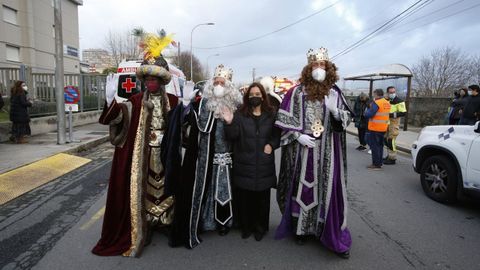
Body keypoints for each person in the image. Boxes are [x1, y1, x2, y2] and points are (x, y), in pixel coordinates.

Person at [92, 33, 177, 257]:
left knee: (167, 186)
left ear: (162, 81)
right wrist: (111, 101)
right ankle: (147, 223)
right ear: (144, 80)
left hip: (167, 153)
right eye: (147, 78)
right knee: (146, 187)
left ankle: (166, 221)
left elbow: (186, 127)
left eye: (155, 78)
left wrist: (187, 108)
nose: (151, 82)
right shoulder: (137, 101)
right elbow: (119, 117)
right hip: (145, 153)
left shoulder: (174, 101)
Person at [274, 47, 353, 258]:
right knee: (302, 188)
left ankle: (325, 230)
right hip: (302, 150)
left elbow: (346, 120)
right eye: (316, 64)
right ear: (309, 68)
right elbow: (283, 119)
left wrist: (336, 111)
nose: (319, 68)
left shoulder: (335, 92)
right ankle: (301, 229)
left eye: (323, 65)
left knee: (326, 189)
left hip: (328, 150)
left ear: (329, 68)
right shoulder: (297, 92)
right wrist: (297, 135)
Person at [165, 64, 242, 248]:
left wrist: (231, 122)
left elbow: (240, 135)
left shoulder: (238, 108)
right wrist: (184, 104)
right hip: (205, 159)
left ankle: (225, 223)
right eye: (216, 81)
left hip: (230, 158)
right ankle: (206, 222)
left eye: (222, 82)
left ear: (229, 86)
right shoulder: (201, 106)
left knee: (226, 191)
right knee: (205, 191)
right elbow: (183, 122)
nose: (218, 85)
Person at [223, 82, 280, 241]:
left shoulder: (271, 114)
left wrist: (272, 145)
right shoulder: (240, 114)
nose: (254, 97)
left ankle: (260, 228)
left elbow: (277, 136)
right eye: (251, 95)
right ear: (247, 97)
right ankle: (246, 227)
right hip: (244, 162)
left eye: (257, 94)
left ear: (263, 96)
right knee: (246, 198)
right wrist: (229, 122)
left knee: (262, 198)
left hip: (264, 163)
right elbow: (232, 136)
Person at [364, 89, 391, 170]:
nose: (373, 96)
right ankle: (379, 163)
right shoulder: (387, 103)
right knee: (380, 146)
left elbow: (370, 114)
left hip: (375, 128)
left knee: (375, 146)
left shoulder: (377, 103)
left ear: (376, 94)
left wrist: (367, 111)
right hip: (383, 128)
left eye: (374, 94)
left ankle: (376, 164)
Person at [383, 86, 407, 165]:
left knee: (391, 140)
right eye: (391, 92)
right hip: (386, 123)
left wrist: (391, 115)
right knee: (385, 140)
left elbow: (403, 113)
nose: (392, 93)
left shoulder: (399, 101)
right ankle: (389, 156)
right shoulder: (387, 100)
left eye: (393, 92)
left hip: (394, 124)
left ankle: (392, 158)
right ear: (387, 93)